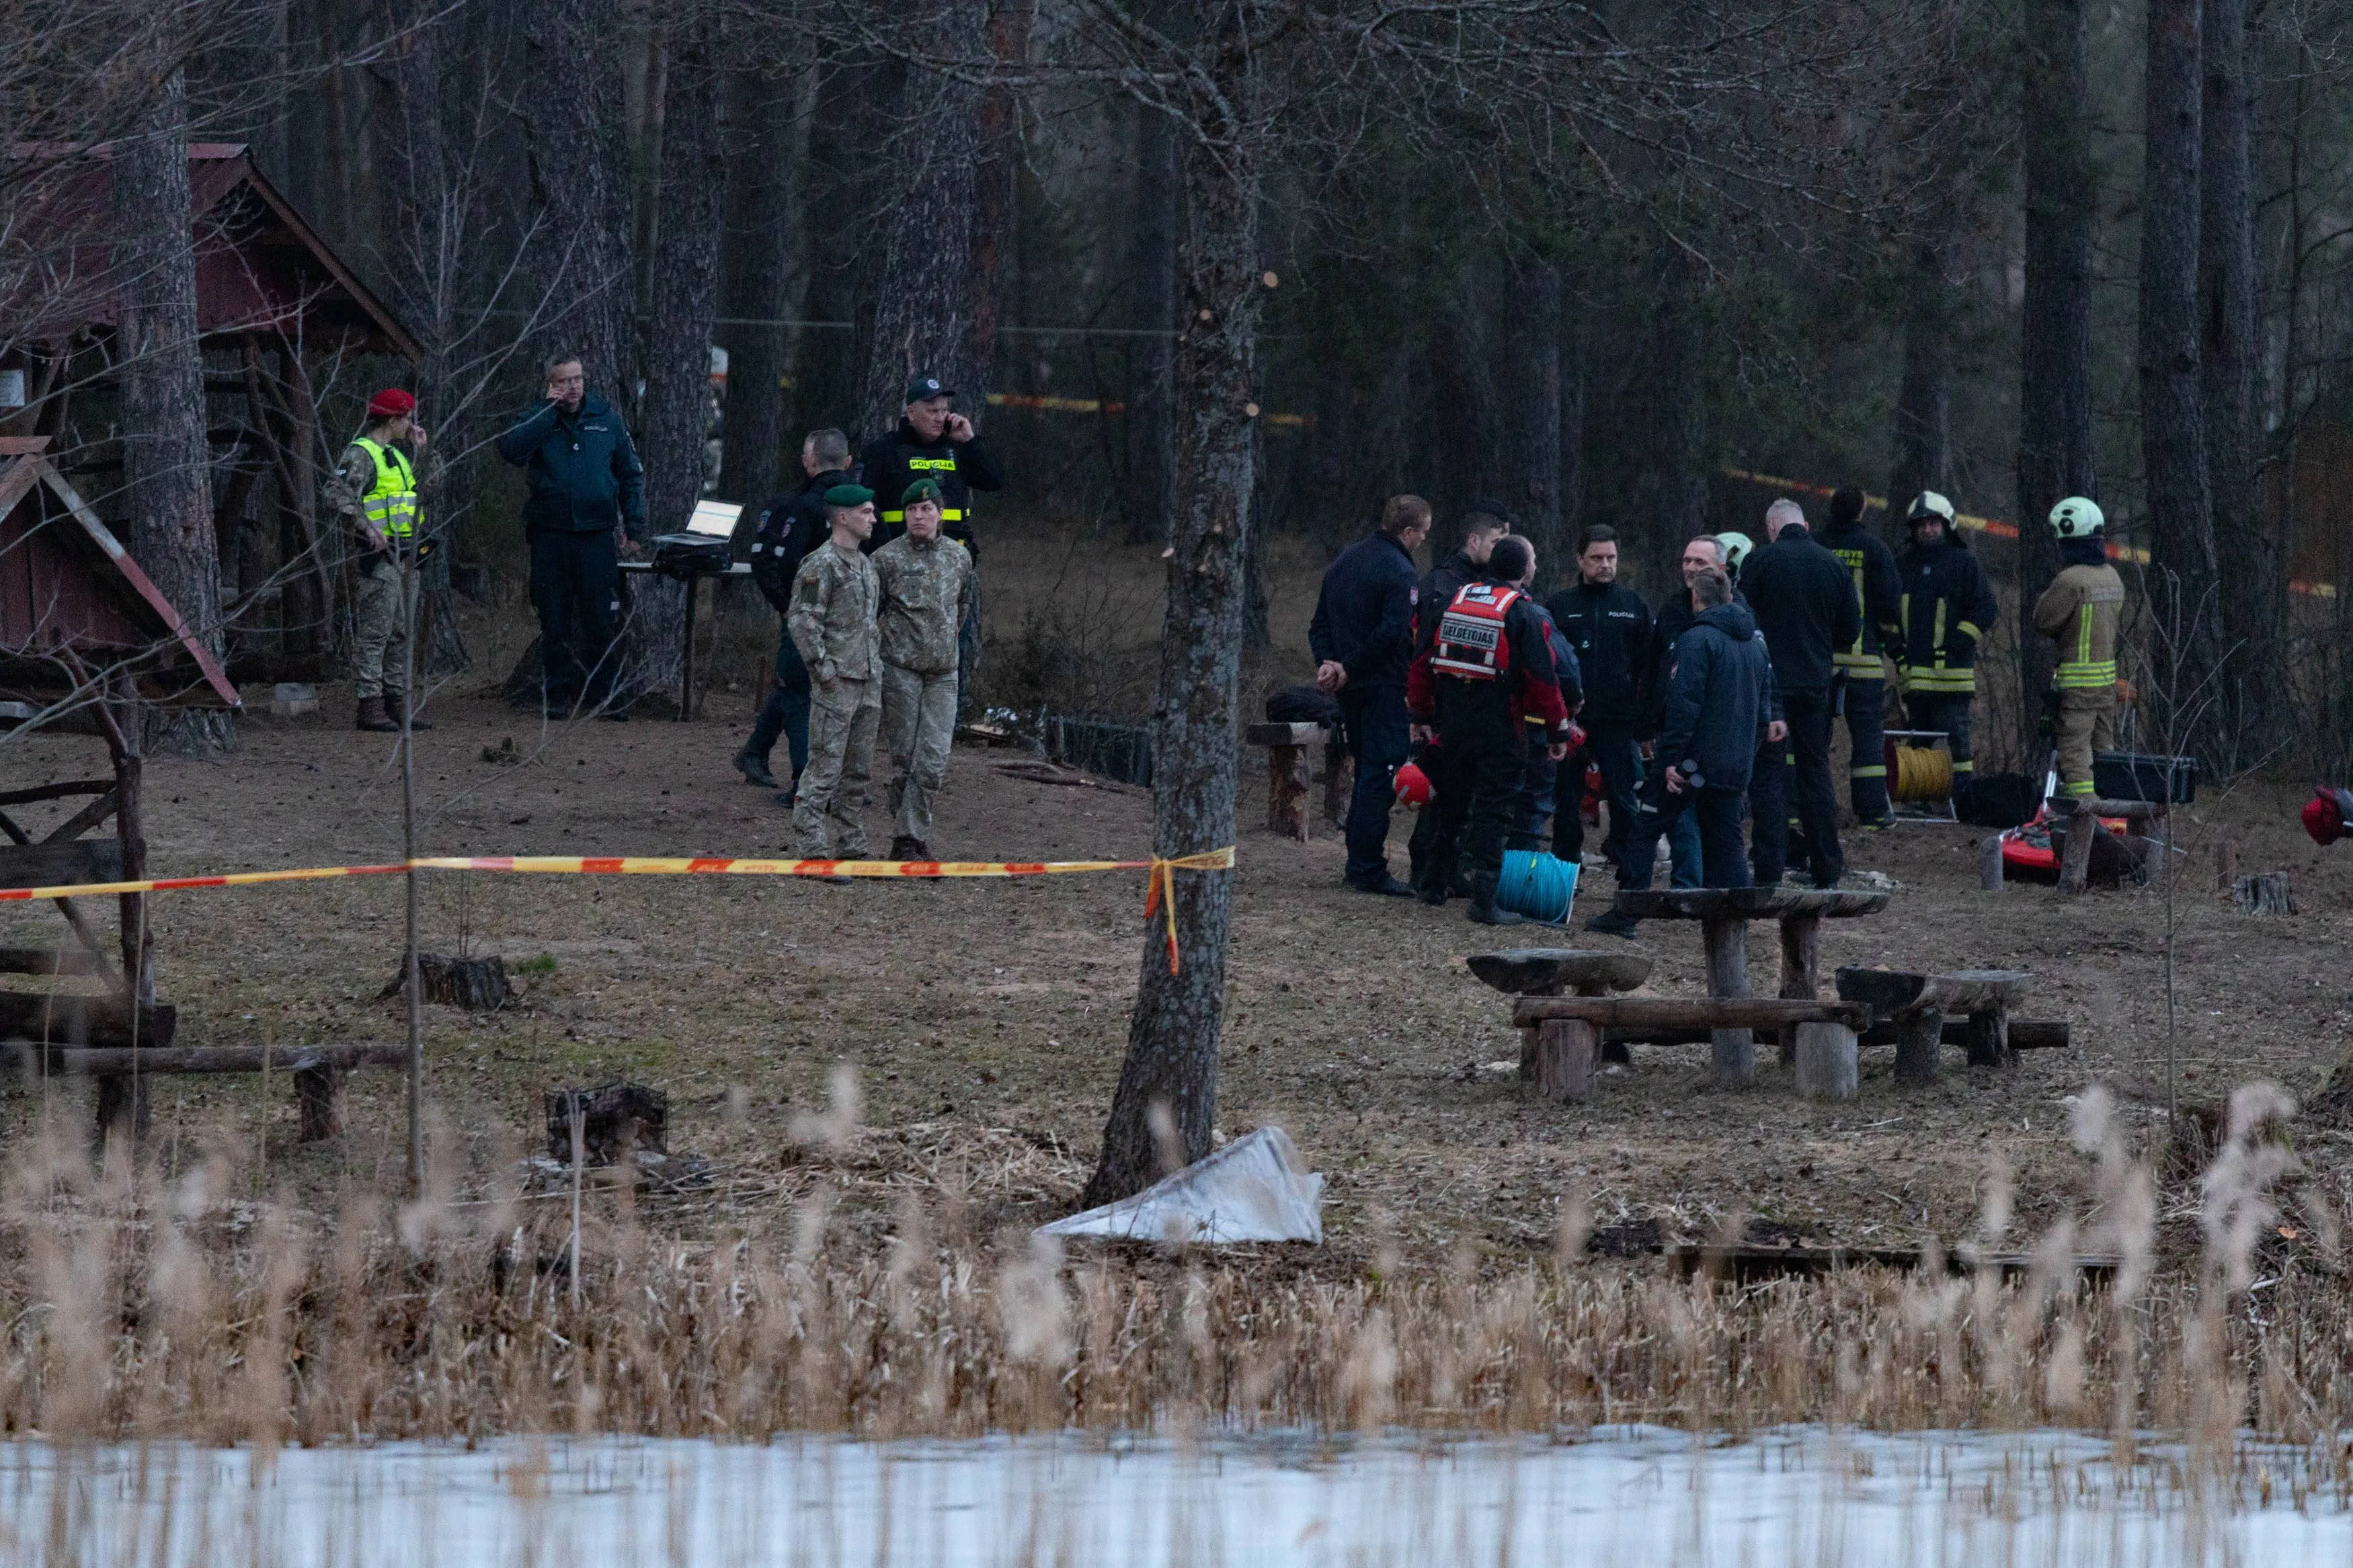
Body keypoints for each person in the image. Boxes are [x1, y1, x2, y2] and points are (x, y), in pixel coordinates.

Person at [1587, 567, 1771, 937]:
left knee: (1645, 828)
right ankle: (1738, 915)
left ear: (1696, 599)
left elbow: (1683, 706)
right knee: (1727, 837)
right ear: (1731, 598)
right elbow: (1763, 713)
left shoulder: (1696, 641)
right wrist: (1745, 759)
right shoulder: (1756, 643)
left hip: (1691, 763)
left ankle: (1627, 912)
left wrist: (1671, 762)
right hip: (1733, 763)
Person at [1406, 535, 1572, 925]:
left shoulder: (1453, 600)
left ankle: (1432, 883)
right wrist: (1558, 730)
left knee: (1450, 800)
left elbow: (1422, 660)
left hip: (1452, 721)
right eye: (1533, 562)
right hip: (1501, 723)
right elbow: (1542, 679)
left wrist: (1420, 713)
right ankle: (1485, 900)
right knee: (1494, 808)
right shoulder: (1521, 613)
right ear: (1524, 571)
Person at [495, 352, 646, 719]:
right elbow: (510, 449)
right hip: (551, 535)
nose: (573, 387)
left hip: (596, 535)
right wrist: (547, 413)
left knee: (601, 617)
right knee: (555, 617)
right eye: (564, 381)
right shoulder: (537, 418)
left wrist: (635, 525)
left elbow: (630, 474)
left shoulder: (605, 419)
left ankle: (605, 696)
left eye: (577, 379)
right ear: (551, 385)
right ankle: (557, 695)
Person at [1308, 494, 1431, 896]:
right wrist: (1350, 667)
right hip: (1382, 686)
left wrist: (1330, 664)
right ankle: (1366, 867)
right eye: (1423, 535)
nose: (1422, 543)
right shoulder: (1399, 570)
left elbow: (1320, 623)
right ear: (1409, 532)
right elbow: (1393, 633)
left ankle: (1359, 862)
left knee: (1366, 773)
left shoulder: (1344, 560)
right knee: (1381, 776)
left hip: (1349, 689)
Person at [859, 375, 1004, 712]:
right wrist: (883, 551)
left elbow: (995, 481)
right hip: (898, 566)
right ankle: (883, 709)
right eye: (932, 410)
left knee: (954, 640)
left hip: (950, 567)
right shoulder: (884, 451)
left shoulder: (957, 448)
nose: (941, 417)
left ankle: (951, 713)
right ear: (911, 412)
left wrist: (970, 442)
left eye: (945, 410)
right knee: (891, 642)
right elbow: (866, 505)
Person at [1741, 498, 1859, 887]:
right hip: (1814, 686)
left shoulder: (1760, 563)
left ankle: (1769, 869)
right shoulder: (1834, 566)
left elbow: (1745, 622)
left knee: (1770, 777)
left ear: (1772, 527)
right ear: (1805, 526)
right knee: (1815, 772)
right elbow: (1850, 631)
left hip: (1770, 688)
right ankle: (1827, 867)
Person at [737, 429, 854, 794]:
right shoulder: (833, 507)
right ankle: (807, 777)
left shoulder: (805, 506)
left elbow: (774, 563)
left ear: (810, 462)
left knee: (796, 686)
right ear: (848, 462)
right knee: (800, 690)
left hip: (810, 615)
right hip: (826, 618)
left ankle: (756, 752)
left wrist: (787, 606)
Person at [1406, 505, 1511, 893]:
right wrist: (1423, 709)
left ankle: (1446, 872)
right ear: (1474, 541)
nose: (1502, 549)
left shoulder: (1477, 584)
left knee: (1456, 792)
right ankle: (1425, 868)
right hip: (1445, 703)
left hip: (1465, 706)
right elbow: (1423, 651)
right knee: (1440, 788)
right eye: (1497, 541)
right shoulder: (1444, 586)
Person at [873, 479, 975, 860]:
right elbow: (872, 613)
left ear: (940, 513)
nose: (919, 516)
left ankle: (910, 836)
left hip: (943, 673)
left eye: (927, 509)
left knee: (933, 759)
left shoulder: (958, 557)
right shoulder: (885, 559)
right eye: (913, 510)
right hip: (900, 669)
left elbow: (961, 609)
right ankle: (907, 840)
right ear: (904, 515)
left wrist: (943, 643)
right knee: (904, 759)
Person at [1642, 535, 1750, 890]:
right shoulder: (1674, 613)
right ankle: (1722, 901)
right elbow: (1653, 672)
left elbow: (1686, 701)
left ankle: (1640, 902)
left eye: (1699, 563)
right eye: (1686, 560)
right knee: (1718, 829)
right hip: (1719, 754)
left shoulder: (1706, 635)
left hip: (1695, 753)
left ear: (1720, 571)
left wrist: (1672, 756)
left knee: (1653, 820)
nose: (1690, 568)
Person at [787, 485, 884, 860]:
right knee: (825, 768)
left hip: (867, 680)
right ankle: (813, 847)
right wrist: (822, 668)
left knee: (858, 772)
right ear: (842, 517)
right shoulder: (820, 564)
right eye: (866, 512)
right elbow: (803, 620)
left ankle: (852, 845)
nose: (873, 519)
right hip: (837, 682)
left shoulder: (866, 565)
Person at [1545, 526, 1650, 873]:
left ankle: (1627, 865)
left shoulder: (1633, 606)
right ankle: (1564, 866)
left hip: (1618, 720)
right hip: (1571, 720)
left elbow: (1647, 666)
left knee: (1623, 796)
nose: (1605, 565)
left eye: (1611, 558)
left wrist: (1645, 718)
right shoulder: (1560, 606)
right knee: (1568, 797)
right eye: (1596, 558)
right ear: (1580, 560)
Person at [327, 388, 432, 733]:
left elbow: (430, 487)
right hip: (378, 559)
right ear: (393, 419)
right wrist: (365, 526)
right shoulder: (362, 454)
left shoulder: (400, 456)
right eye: (407, 418)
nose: (411, 425)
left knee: (402, 632)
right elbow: (336, 494)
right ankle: (369, 706)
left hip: (408, 556)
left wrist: (424, 452)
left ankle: (397, 703)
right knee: (376, 633)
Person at [1892, 491, 2001, 802]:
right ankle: (1917, 796)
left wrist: (1959, 642)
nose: (1927, 530)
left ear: (1947, 524)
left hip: (1951, 677)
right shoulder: (1903, 566)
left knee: (1958, 740)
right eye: (1921, 524)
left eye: (1933, 523)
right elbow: (1887, 613)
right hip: (1914, 677)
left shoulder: (1963, 563)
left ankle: (1962, 798)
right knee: (1919, 742)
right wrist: (1896, 649)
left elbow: (1986, 608)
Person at [1817, 487, 1904, 827]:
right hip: (1865, 664)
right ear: (1862, 512)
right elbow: (1889, 603)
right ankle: (1873, 813)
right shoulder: (1875, 549)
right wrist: (1887, 638)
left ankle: (1807, 809)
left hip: (1821, 664)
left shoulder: (1818, 546)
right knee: (1868, 741)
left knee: (1812, 740)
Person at [2030, 496, 2124, 800]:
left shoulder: (2071, 580)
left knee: (2075, 754)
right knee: (2104, 752)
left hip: (2078, 686)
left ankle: (2086, 821)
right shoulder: (2112, 577)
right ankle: (2113, 815)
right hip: (2106, 685)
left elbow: (2043, 620)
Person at [1507, 547, 1583, 853]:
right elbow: (1560, 671)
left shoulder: (1464, 601)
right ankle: (1517, 881)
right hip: (1532, 726)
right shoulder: (1532, 613)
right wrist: (1566, 715)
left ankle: (1475, 875)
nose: (1537, 566)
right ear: (1524, 569)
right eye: (1534, 560)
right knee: (1533, 803)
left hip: (1477, 727)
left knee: (1488, 804)